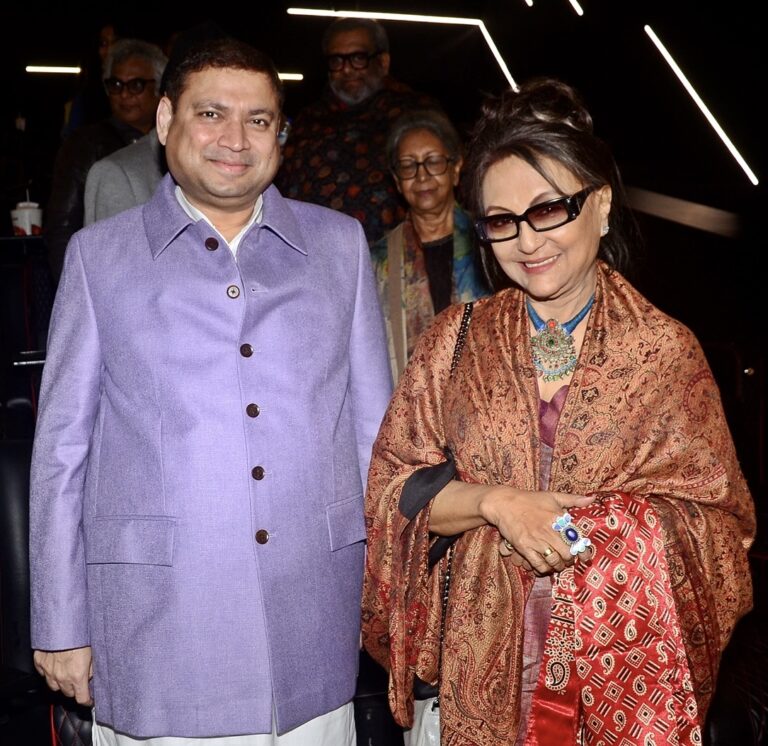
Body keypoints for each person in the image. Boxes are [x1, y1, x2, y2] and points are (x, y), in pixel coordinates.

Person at [361, 77, 755, 744]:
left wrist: (604, 527)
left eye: (549, 210)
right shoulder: (452, 345)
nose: (527, 241)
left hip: (614, 678)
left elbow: (723, 529)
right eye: (501, 221)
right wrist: (496, 503)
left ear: (599, 205)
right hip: (473, 671)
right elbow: (390, 491)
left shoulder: (664, 352)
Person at [30, 36, 392, 745]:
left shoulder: (339, 247)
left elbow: (376, 438)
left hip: (312, 621)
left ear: (280, 134)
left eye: (258, 120)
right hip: (159, 627)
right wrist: (60, 621)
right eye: (212, 114)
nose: (236, 139)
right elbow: (61, 452)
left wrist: (393, 600)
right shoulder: (99, 259)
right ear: (166, 122)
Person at [275, 17, 438, 245]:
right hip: (313, 260)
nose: (347, 70)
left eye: (358, 58)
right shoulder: (307, 122)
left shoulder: (416, 116)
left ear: (382, 62)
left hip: (396, 262)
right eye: (337, 61)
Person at [370, 109, 488, 380]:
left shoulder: (489, 241)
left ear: (456, 168)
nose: (421, 176)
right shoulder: (378, 260)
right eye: (408, 165)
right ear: (398, 181)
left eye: (433, 161)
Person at [45, 38, 167, 281]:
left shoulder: (178, 143)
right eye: (116, 84)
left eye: (136, 85)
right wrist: (74, 290)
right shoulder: (85, 144)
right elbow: (61, 227)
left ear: (160, 89)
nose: (124, 94)